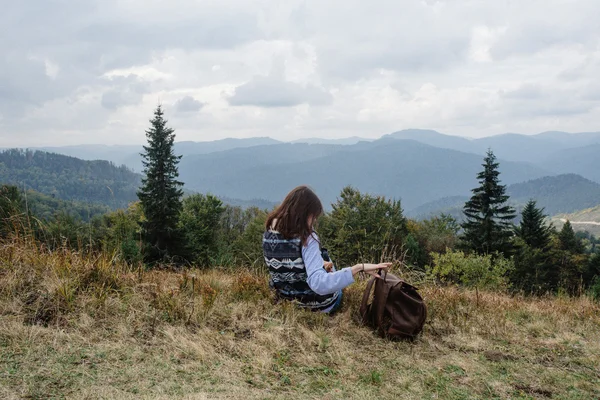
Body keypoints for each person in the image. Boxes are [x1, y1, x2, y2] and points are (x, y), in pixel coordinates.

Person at [262, 185, 391, 314]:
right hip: (316, 306)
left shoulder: (269, 233)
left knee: (322, 260)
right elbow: (319, 284)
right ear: (304, 214)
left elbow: (285, 265)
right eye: (313, 216)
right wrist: (357, 268)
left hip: (286, 301)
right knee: (326, 259)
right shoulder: (307, 238)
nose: (314, 220)